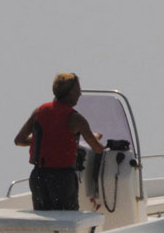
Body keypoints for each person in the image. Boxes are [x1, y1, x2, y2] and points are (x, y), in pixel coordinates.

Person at [14, 73, 104, 210]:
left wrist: (46, 140)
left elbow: (19, 140)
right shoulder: (76, 119)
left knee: (44, 222)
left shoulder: (39, 111)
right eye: (78, 89)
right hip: (62, 179)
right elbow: (97, 149)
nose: (80, 93)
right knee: (66, 219)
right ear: (70, 92)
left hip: (38, 177)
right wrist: (95, 139)